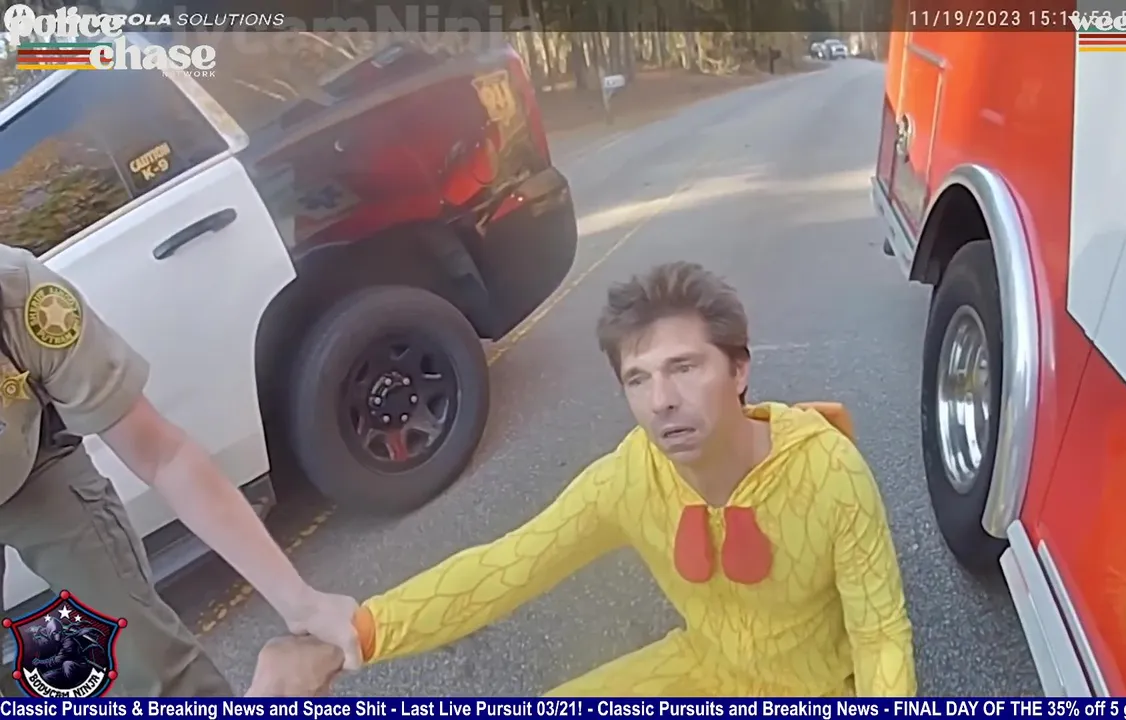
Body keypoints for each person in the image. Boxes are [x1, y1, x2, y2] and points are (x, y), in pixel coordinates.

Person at [256, 261, 917, 696]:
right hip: (704, 671)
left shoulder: (827, 470)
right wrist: (357, 634)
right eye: (638, 379)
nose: (662, 401)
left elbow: (880, 634)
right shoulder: (632, 478)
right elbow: (506, 567)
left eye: (684, 368)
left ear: (739, 370)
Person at [0, 246, 362, 696]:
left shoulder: (27, 301)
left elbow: (162, 456)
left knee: (144, 657)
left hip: (35, 468)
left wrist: (301, 603)